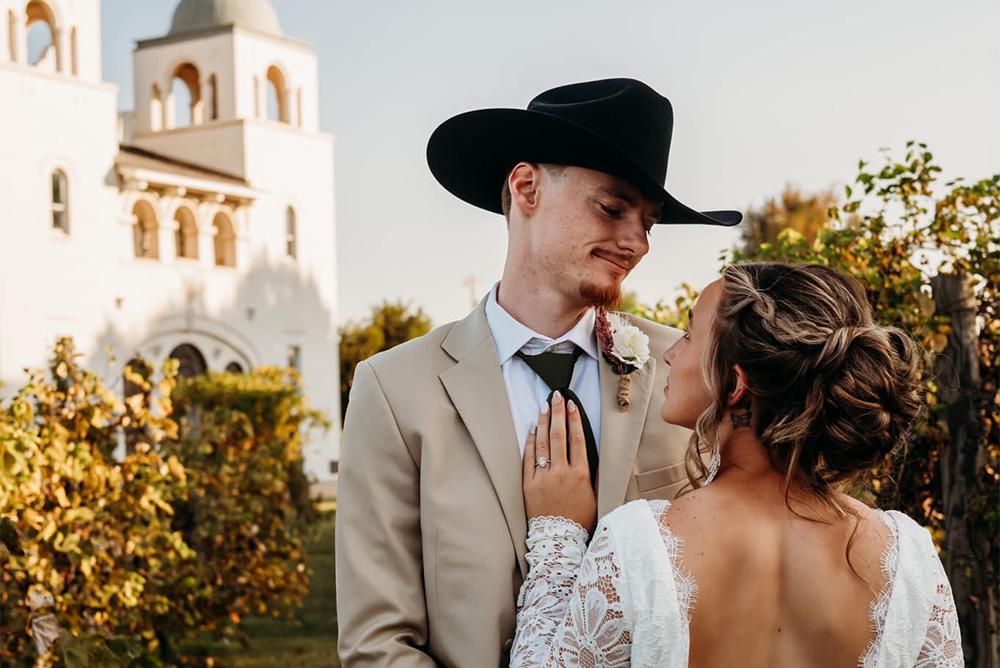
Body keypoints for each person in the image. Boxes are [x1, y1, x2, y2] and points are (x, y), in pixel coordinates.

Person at [335, 78, 741, 666]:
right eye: (613, 208)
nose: (637, 243)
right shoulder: (395, 391)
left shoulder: (685, 367)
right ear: (526, 188)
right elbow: (377, 645)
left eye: (649, 223)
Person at [511, 262, 964, 667]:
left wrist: (558, 534)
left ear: (735, 386)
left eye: (689, 335)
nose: (670, 353)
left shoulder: (638, 546)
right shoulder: (909, 559)